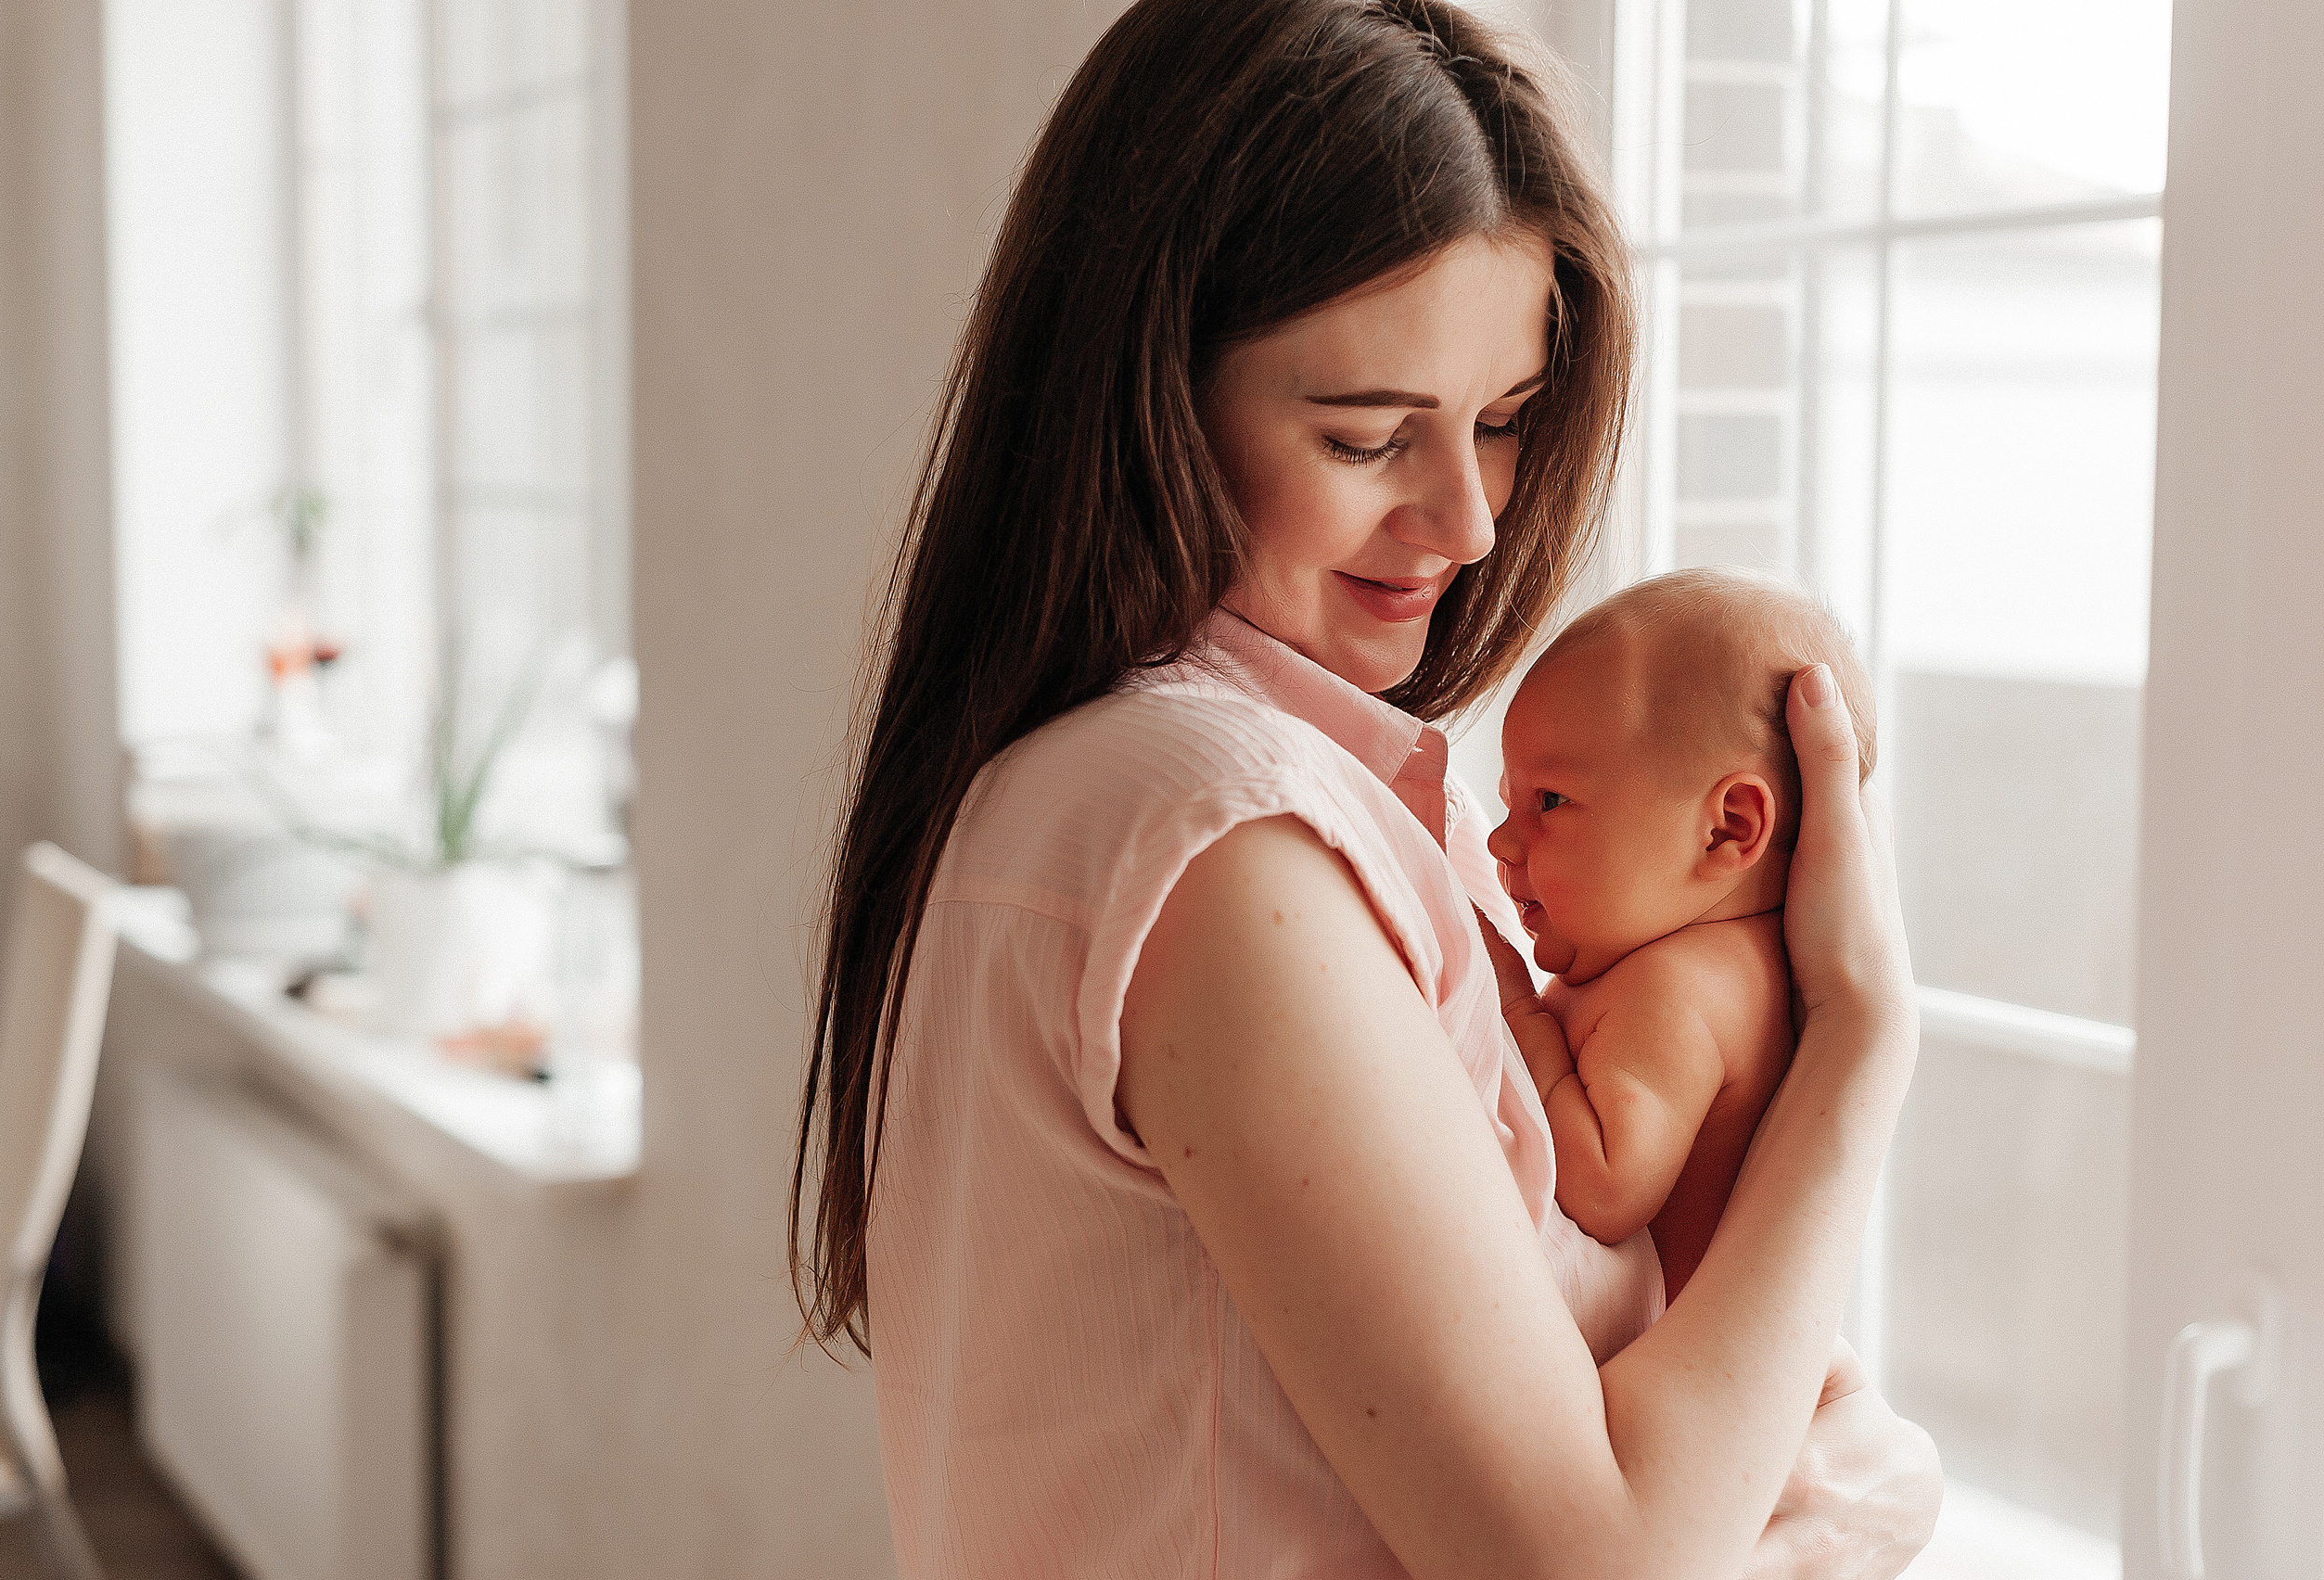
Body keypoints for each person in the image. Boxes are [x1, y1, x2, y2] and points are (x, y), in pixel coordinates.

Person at [789, 1, 1942, 1574]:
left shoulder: (1314, 801)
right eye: (1365, 436)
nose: (1468, 519)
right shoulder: (1220, 835)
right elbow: (1606, 1554)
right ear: (1149, 394)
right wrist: (1860, 1051)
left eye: (1507, 422)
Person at [1483, 568, 1877, 1302]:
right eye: (1510, 800)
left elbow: (1603, 1185)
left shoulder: (1679, 986)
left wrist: (1514, 1013)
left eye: (1551, 800)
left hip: (1672, 1376)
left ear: (1727, 829)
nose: (1503, 843)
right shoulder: (1708, 961)